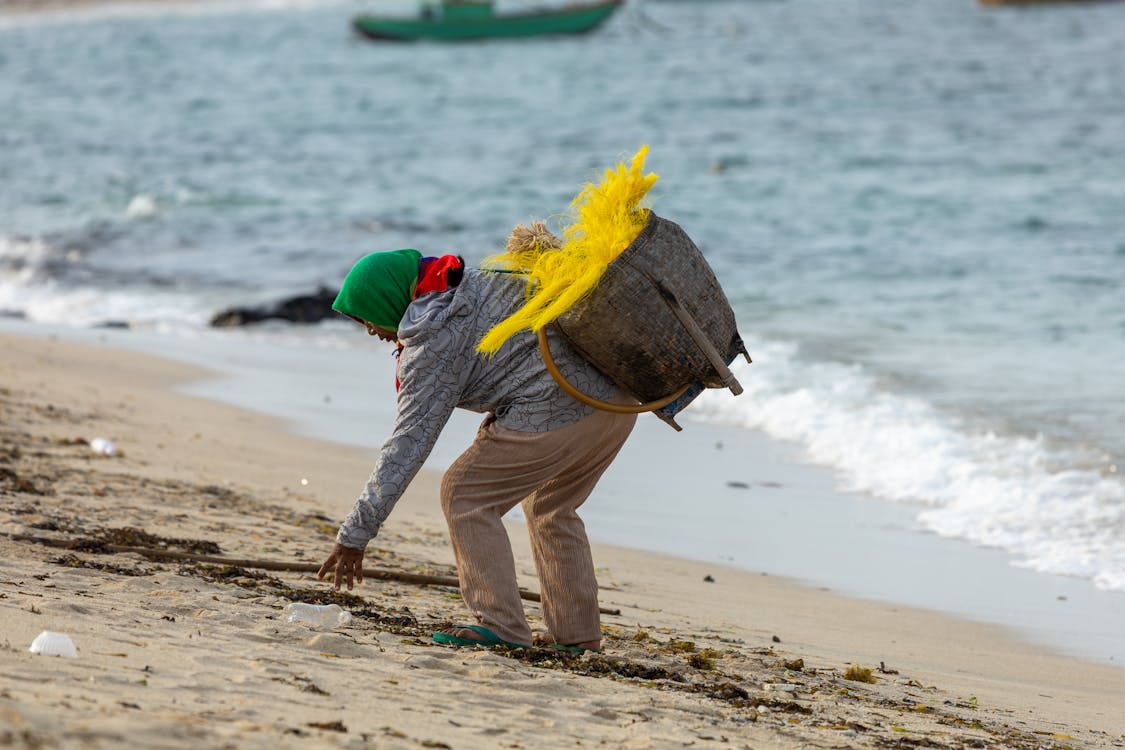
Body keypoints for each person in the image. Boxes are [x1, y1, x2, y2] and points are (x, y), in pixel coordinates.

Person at [316, 247, 636, 652]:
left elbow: (408, 444)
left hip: (561, 409)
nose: (370, 331)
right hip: (620, 401)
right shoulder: (477, 279)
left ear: (389, 299)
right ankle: (578, 638)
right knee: (551, 508)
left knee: (464, 493)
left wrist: (354, 536)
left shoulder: (433, 339)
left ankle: (502, 627)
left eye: (366, 317)